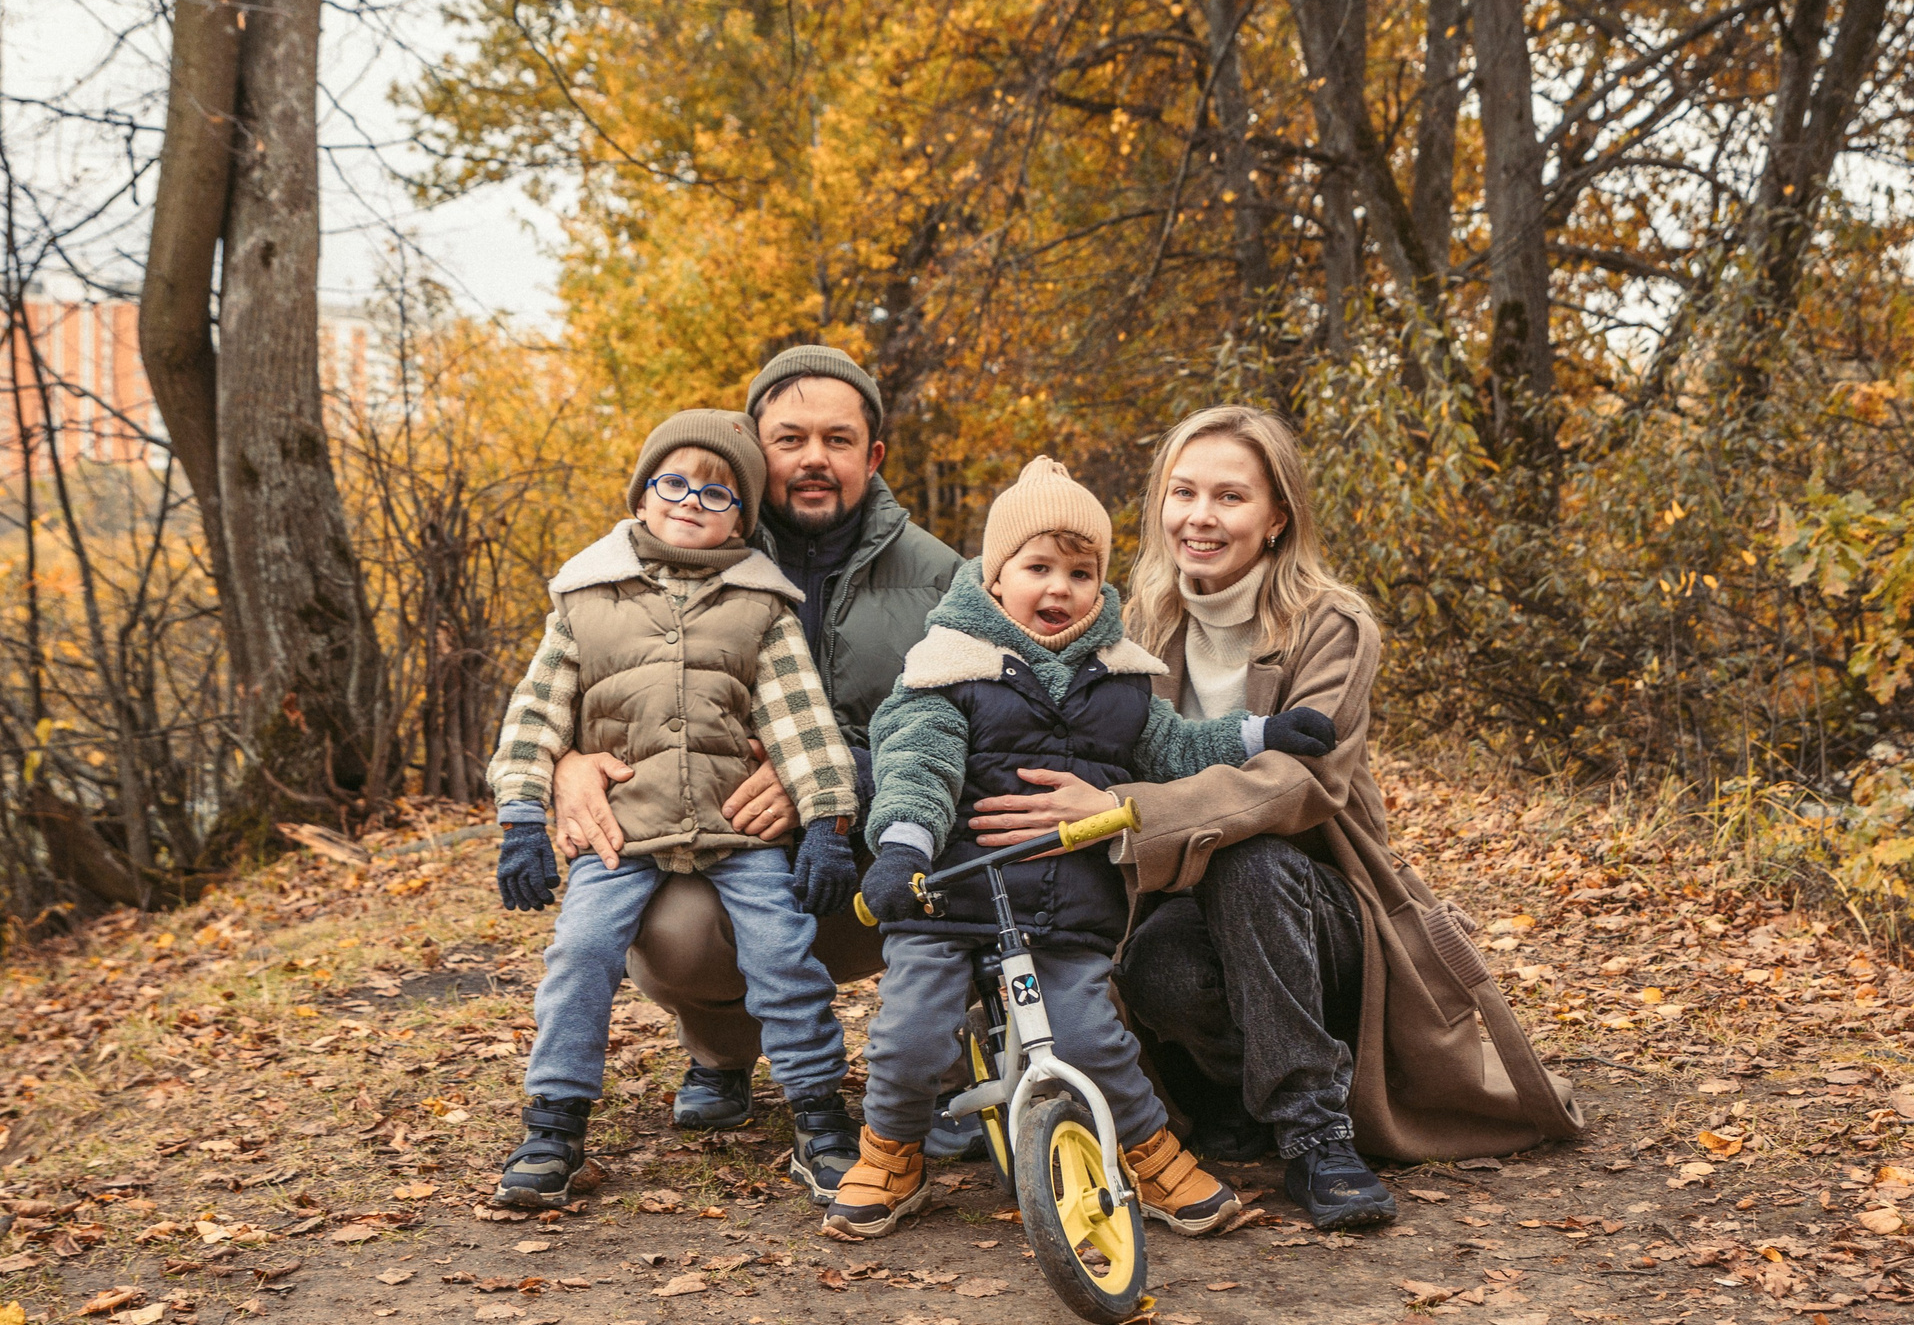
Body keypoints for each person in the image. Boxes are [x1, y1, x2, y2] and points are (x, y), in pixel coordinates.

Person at [960, 406, 1583, 1233]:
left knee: (1248, 861)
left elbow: (1299, 784)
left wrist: (1124, 810)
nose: (1201, 516)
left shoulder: (1332, 625)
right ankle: (1236, 1093)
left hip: (1321, 908)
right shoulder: (1130, 627)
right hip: (1183, 905)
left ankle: (1315, 1132)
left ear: (1277, 516)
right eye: (1183, 492)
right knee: (1158, 964)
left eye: (1230, 496)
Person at [822, 458, 1340, 1239]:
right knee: (911, 1033)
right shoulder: (946, 671)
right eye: (1038, 567)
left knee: (1093, 1036)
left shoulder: (1120, 680)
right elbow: (917, 767)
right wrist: (903, 850)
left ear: (1102, 583)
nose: (1059, 588)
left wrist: (1261, 732)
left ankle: (1146, 1151)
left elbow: (1176, 748)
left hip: (1064, 913)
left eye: (1080, 572)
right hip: (950, 899)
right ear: (995, 577)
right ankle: (890, 1151)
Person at [546, 347, 964, 1133]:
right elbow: (573, 688)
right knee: (673, 931)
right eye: (790, 439)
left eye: (838, 440)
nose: (814, 458)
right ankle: (721, 1051)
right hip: (731, 842)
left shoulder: (944, 577)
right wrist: (566, 764)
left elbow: (990, 731)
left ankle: (945, 1070)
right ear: (754, 449)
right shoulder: (680, 546)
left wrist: (844, 775)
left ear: (873, 456)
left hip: (881, 848)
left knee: (979, 859)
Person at [483, 410, 867, 1208]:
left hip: (740, 832)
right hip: (622, 832)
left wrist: (829, 820)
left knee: (784, 952)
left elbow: (802, 721)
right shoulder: (584, 600)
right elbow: (535, 713)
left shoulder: (760, 607)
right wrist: (521, 813)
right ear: (642, 494)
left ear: (741, 518)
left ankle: (820, 1115)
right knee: (580, 951)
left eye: (717, 492)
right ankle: (553, 1124)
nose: (692, 500)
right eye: (674, 482)